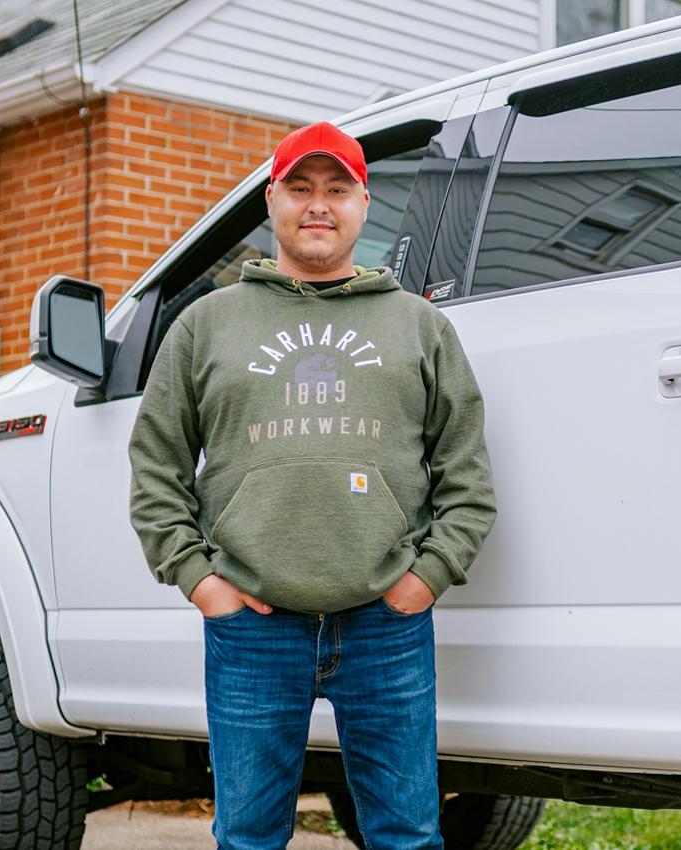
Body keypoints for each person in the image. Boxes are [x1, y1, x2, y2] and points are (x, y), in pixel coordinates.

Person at [127, 120, 496, 850]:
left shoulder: (419, 328)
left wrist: (426, 576)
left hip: (386, 624)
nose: (317, 205)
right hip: (253, 630)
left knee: (409, 836)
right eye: (300, 188)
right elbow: (155, 467)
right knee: (250, 837)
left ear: (364, 204)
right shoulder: (205, 326)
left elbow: (467, 472)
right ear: (272, 201)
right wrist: (203, 583)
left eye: (336, 189)